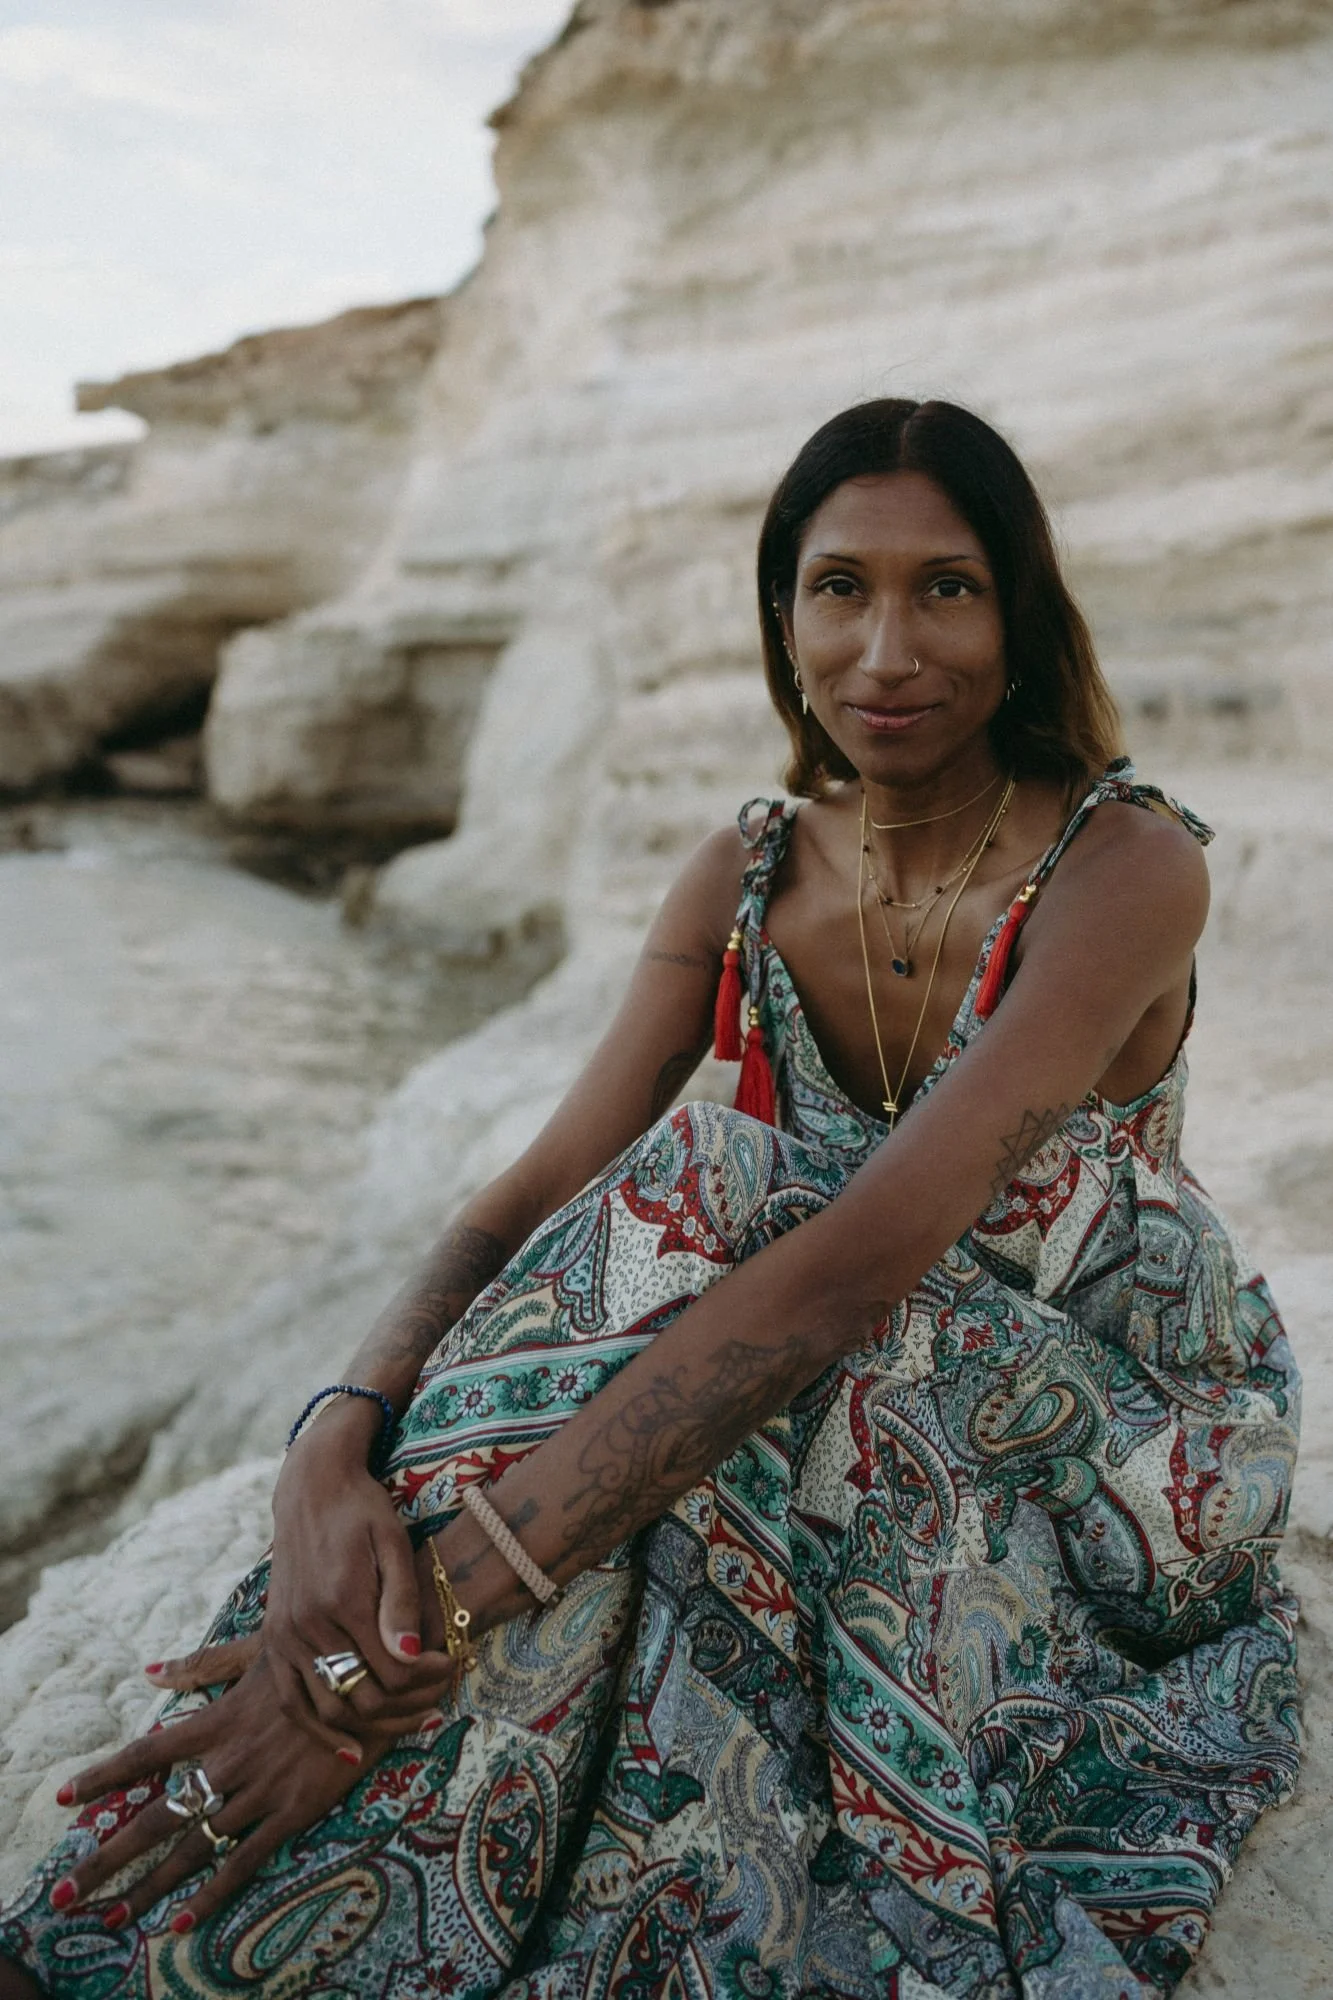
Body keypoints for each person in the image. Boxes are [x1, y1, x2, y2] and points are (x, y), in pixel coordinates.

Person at [0, 399, 1300, 2000]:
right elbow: (542, 1180)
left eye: (947, 588)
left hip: (1109, 1421)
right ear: (781, 617)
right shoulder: (750, 869)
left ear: (1021, 613)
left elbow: (858, 1267)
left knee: (717, 1196)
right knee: (659, 1285)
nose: (887, 647)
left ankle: (337, 1718)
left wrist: (451, 1606)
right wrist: (328, 1445)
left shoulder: (1127, 866)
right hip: (834, 1362)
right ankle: (300, 1864)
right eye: (839, 588)